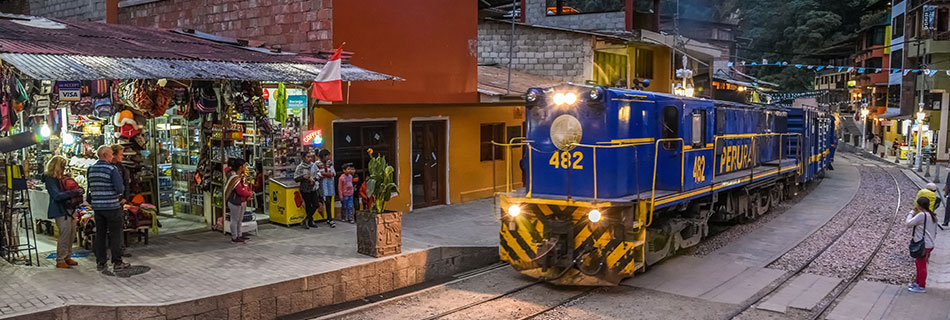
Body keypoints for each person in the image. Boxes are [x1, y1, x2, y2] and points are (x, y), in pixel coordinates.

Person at [87, 146, 129, 272]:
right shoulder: (112, 169)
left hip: (98, 207)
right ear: (105, 155)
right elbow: (120, 188)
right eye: (111, 154)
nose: (112, 157)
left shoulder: (91, 169)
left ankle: (101, 262)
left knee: (100, 234)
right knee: (115, 235)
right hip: (112, 206)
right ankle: (117, 262)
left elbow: (90, 187)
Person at [43, 156, 83, 269]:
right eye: (62, 166)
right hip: (60, 210)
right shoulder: (50, 179)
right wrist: (74, 192)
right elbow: (56, 196)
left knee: (71, 233)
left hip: (69, 209)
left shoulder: (62, 177)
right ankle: (60, 259)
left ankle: (67, 256)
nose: (64, 168)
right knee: (65, 234)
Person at [906, 197, 938, 293]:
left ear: (919, 205)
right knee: (919, 263)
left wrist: (911, 212)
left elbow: (908, 224)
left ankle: (921, 286)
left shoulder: (921, 215)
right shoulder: (932, 215)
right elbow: (935, 231)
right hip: (929, 243)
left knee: (921, 265)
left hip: (923, 244)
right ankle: (918, 282)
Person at [224, 158, 253, 243]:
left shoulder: (240, 176)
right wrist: (249, 193)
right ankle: (234, 236)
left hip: (240, 201)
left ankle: (239, 235)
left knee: (239, 219)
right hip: (234, 201)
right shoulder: (234, 177)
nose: (245, 167)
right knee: (235, 219)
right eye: (244, 166)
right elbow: (240, 191)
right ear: (240, 167)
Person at [294, 152, 320, 229]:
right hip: (305, 188)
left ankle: (306, 219)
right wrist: (303, 177)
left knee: (316, 204)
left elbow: (318, 174)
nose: (310, 158)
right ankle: (310, 221)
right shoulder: (300, 167)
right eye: (308, 157)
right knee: (308, 205)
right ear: (303, 158)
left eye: (310, 157)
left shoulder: (314, 165)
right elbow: (296, 178)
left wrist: (314, 179)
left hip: (313, 187)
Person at [314, 149, 336, 228]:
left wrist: (325, 174)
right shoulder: (316, 164)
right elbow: (318, 175)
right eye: (327, 156)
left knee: (329, 199)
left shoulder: (330, 163)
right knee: (326, 200)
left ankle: (329, 218)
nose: (328, 157)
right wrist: (327, 174)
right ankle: (330, 218)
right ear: (323, 156)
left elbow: (333, 173)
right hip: (322, 184)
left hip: (329, 183)